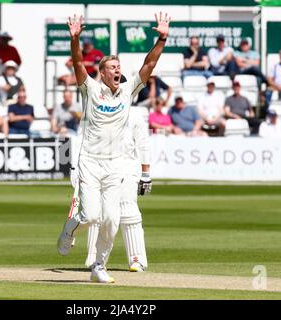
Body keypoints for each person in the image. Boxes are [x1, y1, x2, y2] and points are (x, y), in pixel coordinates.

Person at [57, 12, 170, 283]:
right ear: (102, 71)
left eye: (119, 67)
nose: (118, 70)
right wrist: (75, 39)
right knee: (90, 215)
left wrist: (162, 38)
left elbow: (150, 63)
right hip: (90, 162)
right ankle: (69, 229)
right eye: (112, 67)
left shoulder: (129, 90)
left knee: (111, 219)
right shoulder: (91, 89)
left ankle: (99, 266)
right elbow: (76, 63)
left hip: (115, 164)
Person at [80, 107, 150, 272]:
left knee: (128, 209)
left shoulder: (134, 115)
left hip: (127, 166)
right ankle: (95, 259)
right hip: (99, 166)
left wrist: (146, 174)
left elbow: (143, 144)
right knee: (97, 212)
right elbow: (83, 140)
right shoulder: (94, 111)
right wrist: (77, 170)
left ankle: (137, 259)